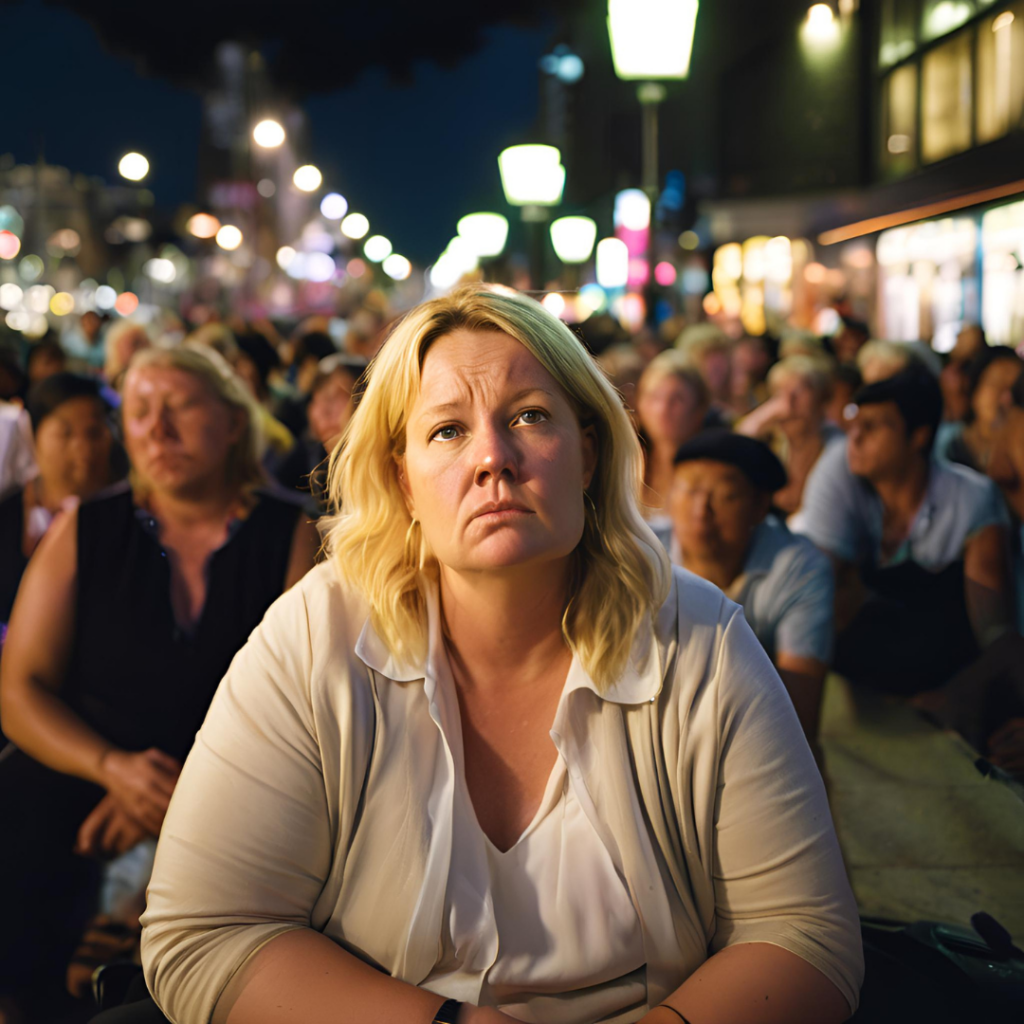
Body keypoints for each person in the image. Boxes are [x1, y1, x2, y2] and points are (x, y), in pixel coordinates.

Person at [138, 287, 862, 1024]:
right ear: (403, 482)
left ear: (588, 452)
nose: (493, 456)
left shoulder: (700, 640)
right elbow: (203, 933)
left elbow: (806, 934)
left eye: (529, 416)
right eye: (448, 431)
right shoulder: (314, 638)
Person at [0, 345, 319, 1010]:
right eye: (140, 412)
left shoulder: (292, 533)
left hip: (243, 790)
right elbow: (19, 690)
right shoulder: (86, 528)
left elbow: (310, 707)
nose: (157, 429)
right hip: (83, 784)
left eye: (179, 408)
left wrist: (182, 798)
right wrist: (115, 770)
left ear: (234, 421)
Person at [798, 365, 1012, 695]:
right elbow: (814, 587)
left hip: (948, 670)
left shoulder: (972, 499)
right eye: (854, 424)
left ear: (918, 436)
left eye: (871, 427)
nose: (854, 437)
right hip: (863, 676)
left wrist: (955, 701)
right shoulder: (839, 467)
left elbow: (994, 630)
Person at [669, 431, 834, 749]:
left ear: (759, 505)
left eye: (724, 496)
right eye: (686, 490)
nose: (700, 511)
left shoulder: (798, 568)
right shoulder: (639, 558)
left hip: (759, 739)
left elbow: (799, 714)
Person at [0, 373, 120, 630]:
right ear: (33, 436)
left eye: (94, 432)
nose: (82, 448)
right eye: (65, 434)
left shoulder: (130, 517)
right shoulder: (7, 514)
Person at [735, 356, 843, 519]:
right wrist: (761, 418)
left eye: (800, 391)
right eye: (780, 393)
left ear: (821, 398)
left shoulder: (837, 448)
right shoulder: (775, 448)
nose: (788, 403)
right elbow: (735, 448)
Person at [635, 350, 712, 550]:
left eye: (676, 399)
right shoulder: (627, 465)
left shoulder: (712, 473)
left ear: (699, 408)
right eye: (654, 397)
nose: (663, 409)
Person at [934, 346, 1023, 474]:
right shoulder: (942, 450)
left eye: (1015, 390)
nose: (1007, 399)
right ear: (974, 389)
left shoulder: (1018, 455)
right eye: (997, 385)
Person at [104, 320, 153, 391]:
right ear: (117, 350)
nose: (142, 348)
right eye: (135, 343)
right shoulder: (112, 387)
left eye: (145, 340)